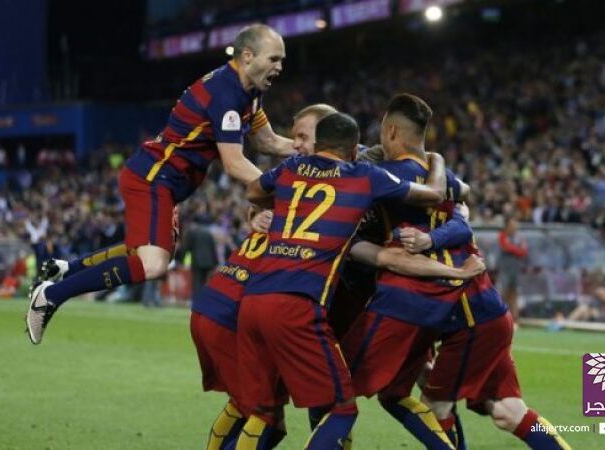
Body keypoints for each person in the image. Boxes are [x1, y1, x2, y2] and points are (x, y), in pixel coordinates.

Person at [191, 104, 482, 450]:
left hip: (270, 300)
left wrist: (265, 207)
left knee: (268, 410)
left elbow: (254, 190)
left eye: (302, 137)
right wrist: (439, 165)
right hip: (316, 302)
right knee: (344, 403)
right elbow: (435, 200)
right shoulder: (363, 176)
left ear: (323, 140)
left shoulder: (300, 170)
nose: (296, 145)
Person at [26, 24, 295, 345]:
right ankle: (51, 296)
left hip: (163, 181)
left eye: (282, 59)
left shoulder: (248, 91)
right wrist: (286, 187)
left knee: (147, 251)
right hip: (154, 179)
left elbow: (267, 141)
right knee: (153, 264)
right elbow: (234, 163)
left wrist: (315, 151)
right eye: (274, 58)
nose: (280, 67)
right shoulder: (226, 94)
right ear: (248, 56)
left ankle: (66, 269)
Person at [340, 94, 471, 449]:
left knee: (335, 383)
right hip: (447, 297)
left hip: (402, 296)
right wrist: (438, 160)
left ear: (392, 131)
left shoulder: (381, 175)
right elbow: (464, 194)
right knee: (403, 391)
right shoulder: (442, 176)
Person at [399, 223, 570, 450]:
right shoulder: (447, 218)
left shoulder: (429, 221)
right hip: (489, 316)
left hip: (472, 323)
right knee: (509, 412)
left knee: (435, 407)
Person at [497, 215, 528, 322]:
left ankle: (515, 319)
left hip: (515, 269)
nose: (514, 226)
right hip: (505, 269)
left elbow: (524, 251)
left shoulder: (519, 237)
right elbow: (505, 247)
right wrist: (517, 250)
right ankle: (500, 317)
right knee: (503, 293)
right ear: (507, 225)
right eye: (512, 224)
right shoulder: (502, 235)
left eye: (515, 224)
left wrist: (514, 250)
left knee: (514, 293)